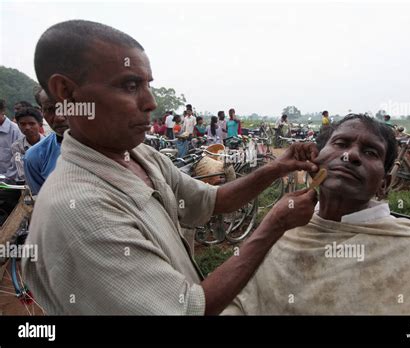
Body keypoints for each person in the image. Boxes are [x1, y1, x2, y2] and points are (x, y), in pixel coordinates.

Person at [22, 20, 320, 316]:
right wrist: (275, 224)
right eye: (129, 85)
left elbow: (211, 200)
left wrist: (277, 167)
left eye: (147, 84)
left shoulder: (139, 155)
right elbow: (190, 310)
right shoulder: (80, 212)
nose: (151, 102)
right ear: (67, 92)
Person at [223, 114, 410, 315]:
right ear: (314, 161)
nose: (350, 155)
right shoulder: (284, 228)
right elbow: (239, 302)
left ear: (385, 183)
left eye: (371, 152)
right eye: (340, 144)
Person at [24, 88, 69, 195]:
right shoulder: (34, 157)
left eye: (67, 107)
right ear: (42, 112)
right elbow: (41, 198)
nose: (59, 117)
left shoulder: (110, 145)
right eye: (50, 109)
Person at [11, 107, 45, 181]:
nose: (27, 127)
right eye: (22, 124)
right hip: (27, 185)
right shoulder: (17, 147)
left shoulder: (50, 144)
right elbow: (22, 172)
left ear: (40, 124)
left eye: (32, 123)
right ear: (18, 125)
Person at [0, 99, 21, 179]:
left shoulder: (16, 131)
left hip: (9, 183)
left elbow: (18, 161)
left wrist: (6, 178)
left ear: (3, 111)